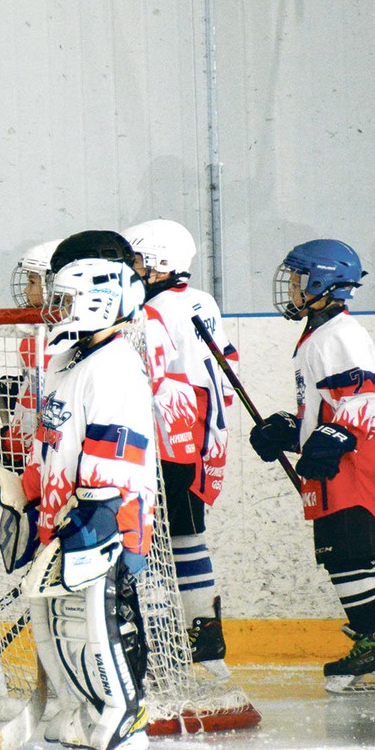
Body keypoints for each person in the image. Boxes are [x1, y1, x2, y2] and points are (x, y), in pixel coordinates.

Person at [20, 252, 155, 750]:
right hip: (63, 513)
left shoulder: (116, 364)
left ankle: (125, 713)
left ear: (98, 304)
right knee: (66, 622)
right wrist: (29, 501)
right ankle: (87, 706)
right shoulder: (64, 361)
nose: (54, 309)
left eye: (65, 300)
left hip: (107, 515)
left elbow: (115, 446)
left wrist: (92, 511)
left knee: (103, 618)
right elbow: (49, 440)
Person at [250, 239, 375, 693]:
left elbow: (364, 397)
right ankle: (371, 637)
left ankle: (373, 641)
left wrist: (334, 437)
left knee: (349, 550)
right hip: (339, 458)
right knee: (339, 551)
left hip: (355, 462)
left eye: (300, 279)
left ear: (324, 282)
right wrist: (292, 431)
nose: (294, 289)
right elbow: (325, 406)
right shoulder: (318, 335)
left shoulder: (339, 334)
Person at [122, 219, 238, 672]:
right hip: (202, 439)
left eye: (135, 262)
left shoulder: (151, 314)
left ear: (158, 264)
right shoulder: (201, 301)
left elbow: (143, 379)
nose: (130, 271)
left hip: (169, 441)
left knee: (153, 541)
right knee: (189, 537)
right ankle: (206, 645)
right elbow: (227, 365)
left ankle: (165, 648)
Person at [0, 238, 59, 473]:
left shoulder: (63, 341)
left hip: (47, 456)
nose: (26, 290)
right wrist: (21, 390)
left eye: (32, 282)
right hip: (26, 452)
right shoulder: (32, 336)